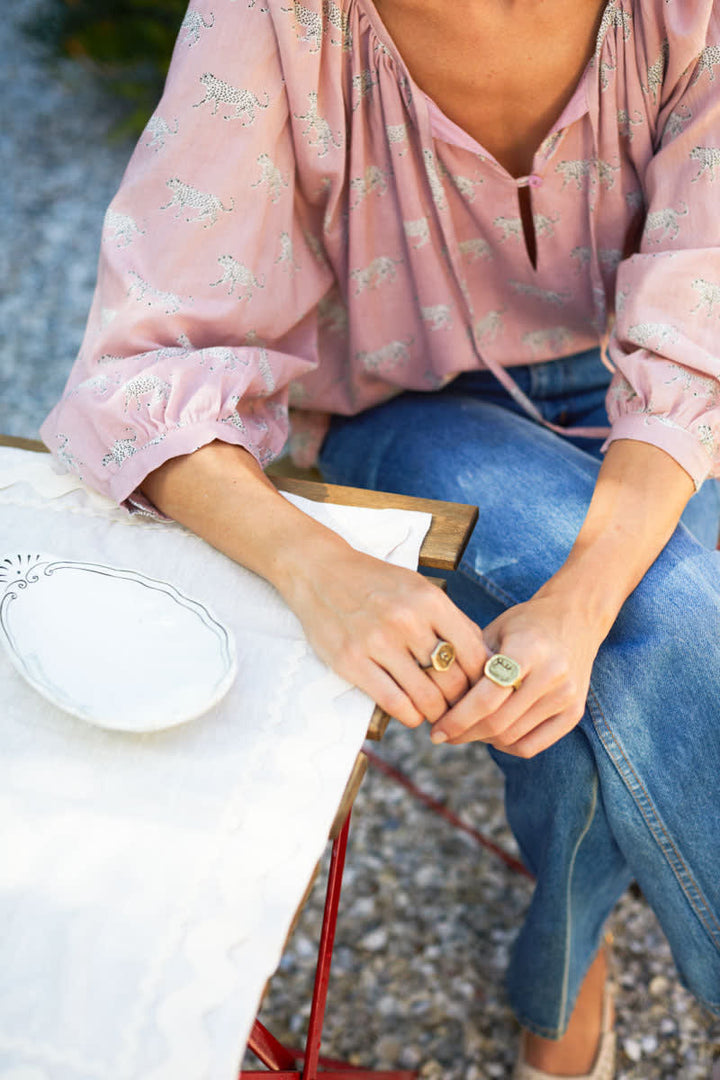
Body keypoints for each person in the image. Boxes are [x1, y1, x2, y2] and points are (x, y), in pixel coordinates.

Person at [41, 0, 720, 1075]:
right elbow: (143, 377)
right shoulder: (271, 21)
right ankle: (569, 971)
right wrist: (325, 574)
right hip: (409, 406)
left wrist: (584, 597)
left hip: (665, 400)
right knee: (681, 619)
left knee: (603, 654)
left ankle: (560, 968)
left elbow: (701, 337)